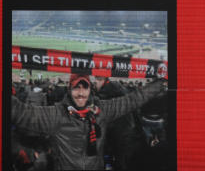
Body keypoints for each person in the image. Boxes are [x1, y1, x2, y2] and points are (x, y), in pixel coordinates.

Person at [9, 72, 166, 170]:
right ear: (69, 90)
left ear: (90, 90)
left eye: (84, 87)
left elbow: (133, 100)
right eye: (76, 88)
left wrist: (160, 83)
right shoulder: (57, 113)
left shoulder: (102, 110)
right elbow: (24, 113)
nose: (81, 93)